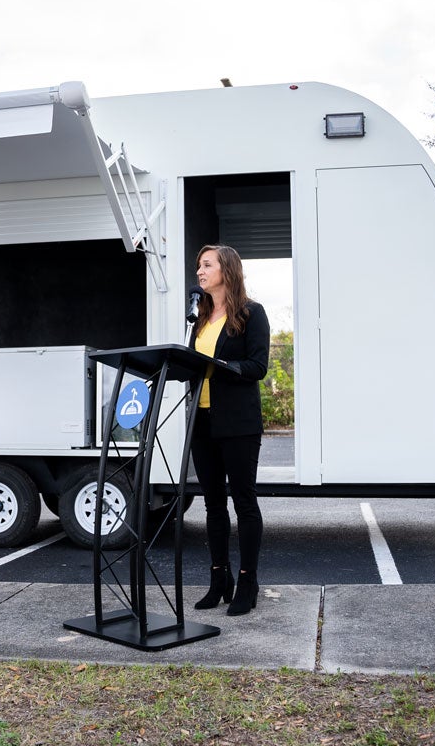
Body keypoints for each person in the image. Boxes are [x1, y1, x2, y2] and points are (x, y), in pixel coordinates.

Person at [189, 244, 270, 616]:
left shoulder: (252, 314)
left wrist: (220, 364)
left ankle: (248, 581)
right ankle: (219, 578)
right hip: (202, 422)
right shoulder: (200, 318)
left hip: (237, 423)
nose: (200, 272)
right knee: (213, 505)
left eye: (207, 265)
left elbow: (257, 367)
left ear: (227, 270)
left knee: (243, 502)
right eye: (198, 267)